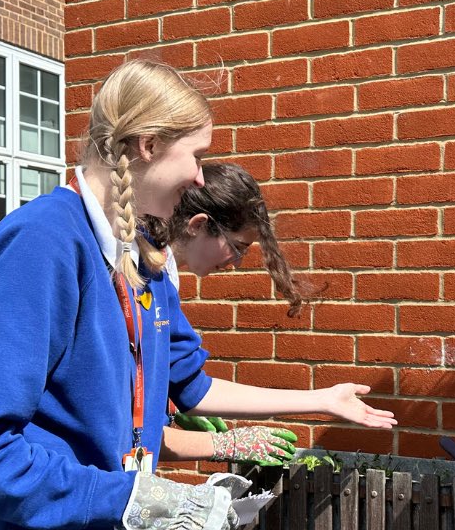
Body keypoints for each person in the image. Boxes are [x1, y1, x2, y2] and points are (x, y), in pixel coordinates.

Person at [0, 59, 393, 530]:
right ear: (147, 145)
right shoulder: (42, 243)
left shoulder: (145, 263)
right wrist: (133, 497)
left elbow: (190, 388)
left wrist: (320, 398)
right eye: (197, 155)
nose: (199, 178)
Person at [148, 163, 357, 465]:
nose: (238, 261)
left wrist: (167, 401)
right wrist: (221, 442)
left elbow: (185, 383)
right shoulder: (143, 274)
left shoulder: (164, 274)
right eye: (237, 247)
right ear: (197, 225)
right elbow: (192, 390)